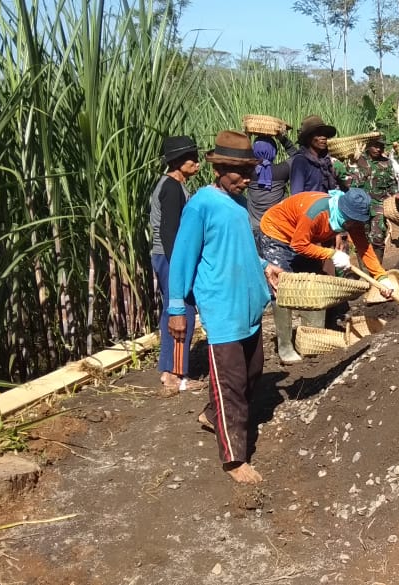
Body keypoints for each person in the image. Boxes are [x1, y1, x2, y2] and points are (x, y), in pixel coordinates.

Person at [166, 130, 285, 484]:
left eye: (249, 171)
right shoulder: (201, 205)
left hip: (247, 304)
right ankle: (234, 458)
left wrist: (266, 268)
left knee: (251, 373)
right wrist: (176, 309)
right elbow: (182, 258)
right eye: (239, 172)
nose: (246, 179)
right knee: (231, 383)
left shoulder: (238, 203)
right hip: (221, 308)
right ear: (218, 168)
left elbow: (244, 248)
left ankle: (209, 414)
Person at [258, 188, 395, 363]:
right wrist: (331, 254)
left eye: (357, 223)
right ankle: (285, 346)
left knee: (315, 282)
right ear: (344, 212)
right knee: (282, 287)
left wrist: (381, 277)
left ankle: (312, 338)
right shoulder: (317, 213)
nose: (353, 226)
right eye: (351, 222)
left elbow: (364, 247)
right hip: (277, 233)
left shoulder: (353, 220)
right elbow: (299, 244)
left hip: (305, 237)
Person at [149, 136, 205, 393]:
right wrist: (180, 269)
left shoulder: (174, 185)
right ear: (178, 162)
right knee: (181, 312)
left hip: (168, 256)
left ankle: (170, 370)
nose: (197, 162)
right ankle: (174, 375)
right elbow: (170, 232)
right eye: (191, 158)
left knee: (174, 311)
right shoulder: (171, 188)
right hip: (170, 257)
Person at [246, 130, 299, 252]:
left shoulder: (248, 171)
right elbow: (297, 156)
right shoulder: (282, 170)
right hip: (276, 228)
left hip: (254, 228)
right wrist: (282, 138)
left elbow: (236, 160)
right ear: (274, 152)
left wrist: (246, 138)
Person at [352, 137, 398, 262]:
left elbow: (392, 183)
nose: (378, 149)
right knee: (362, 237)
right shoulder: (359, 160)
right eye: (375, 146)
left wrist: (395, 195)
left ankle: (377, 270)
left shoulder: (387, 163)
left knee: (378, 237)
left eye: (381, 147)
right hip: (361, 205)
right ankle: (364, 270)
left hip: (379, 205)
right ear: (368, 146)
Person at [290, 115, 339, 194]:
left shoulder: (325, 162)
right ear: (308, 137)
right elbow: (296, 195)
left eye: (325, 134)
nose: (323, 137)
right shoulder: (301, 161)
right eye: (319, 134)